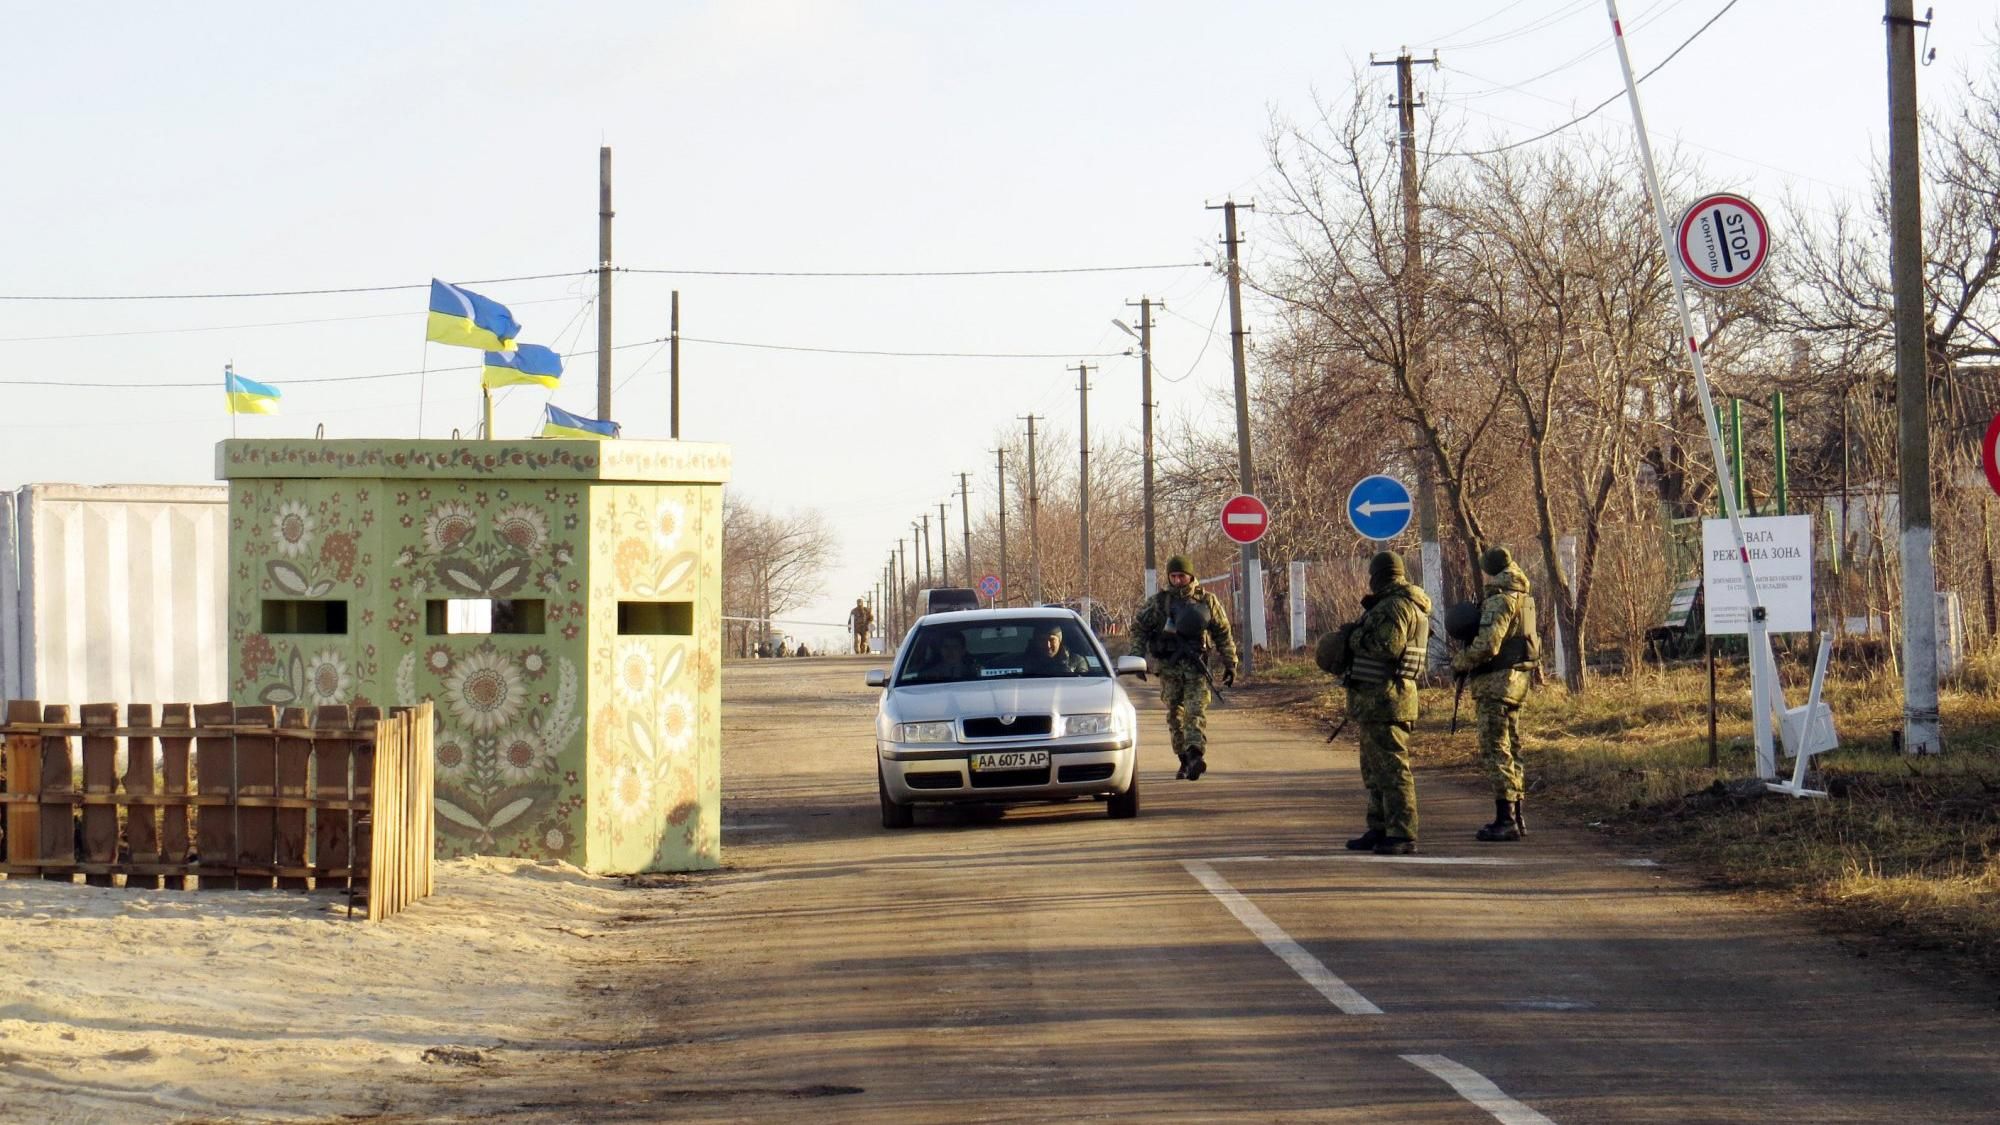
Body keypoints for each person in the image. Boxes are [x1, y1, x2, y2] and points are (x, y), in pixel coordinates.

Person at [1335, 550, 1432, 856]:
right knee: (1375, 771)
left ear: (1378, 576)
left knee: (1392, 769)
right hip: (1380, 700)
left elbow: (1388, 646)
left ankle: (1402, 833)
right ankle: (1379, 827)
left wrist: (1352, 638)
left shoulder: (1395, 606)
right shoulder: (1400, 603)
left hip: (1388, 699)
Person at [1452, 546, 1540, 842]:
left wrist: (1461, 662)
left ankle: (1505, 820)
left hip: (1496, 683)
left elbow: (1489, 644)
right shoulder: (1523, 597)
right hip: (1517, 681)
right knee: (1512, 747)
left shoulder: (1499, 600)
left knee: (1495, 748)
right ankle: (1517, 815)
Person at [1129, 555, 1237, 780]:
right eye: (1174, 576)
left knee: (1195, 713)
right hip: (1169, 669)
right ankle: (1185, 759)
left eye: (1182, 576)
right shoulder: (1159, 603)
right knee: (1174, 717)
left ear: (1191, 575)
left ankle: (1196, 755)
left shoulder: (1207, 601)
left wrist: (1230, 663)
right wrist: (1136, 658)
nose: (1178, 580)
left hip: (1196, 669)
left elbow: (1222, 633)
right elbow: (1139, 628)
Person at [1024, 622, 1089, 676]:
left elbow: (1081, 684)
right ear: (1036, 642)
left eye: (1052, 640)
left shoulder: (1077, 662)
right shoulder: (1023, 662)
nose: (1047, 645)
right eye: (1042, 640)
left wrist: (1064, 666)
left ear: (1059, 641)